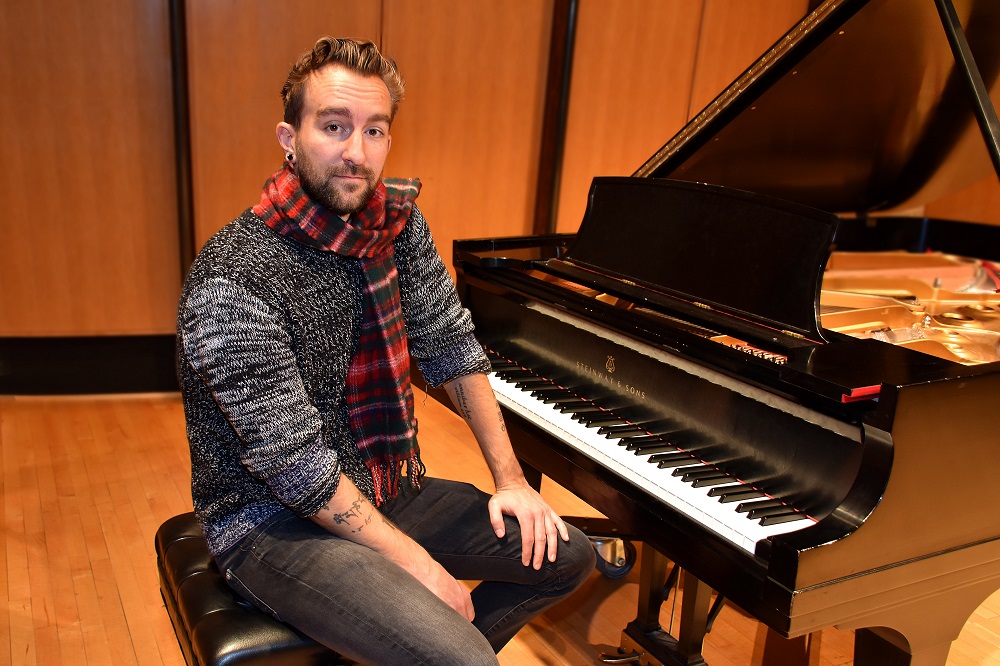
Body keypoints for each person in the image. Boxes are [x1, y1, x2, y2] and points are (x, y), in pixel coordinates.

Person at [176, 36, 595, 665]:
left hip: (386, 486)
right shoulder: (232, 275)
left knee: (569, 557)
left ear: (390, 141)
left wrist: (513, 482)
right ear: (288, 138)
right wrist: (418, 568)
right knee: (465, 658)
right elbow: (295, 468)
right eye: (334, 127)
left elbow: (451, 345)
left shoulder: (395, 227)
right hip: (270, 524)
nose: (355, 152)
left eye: (374, 130)